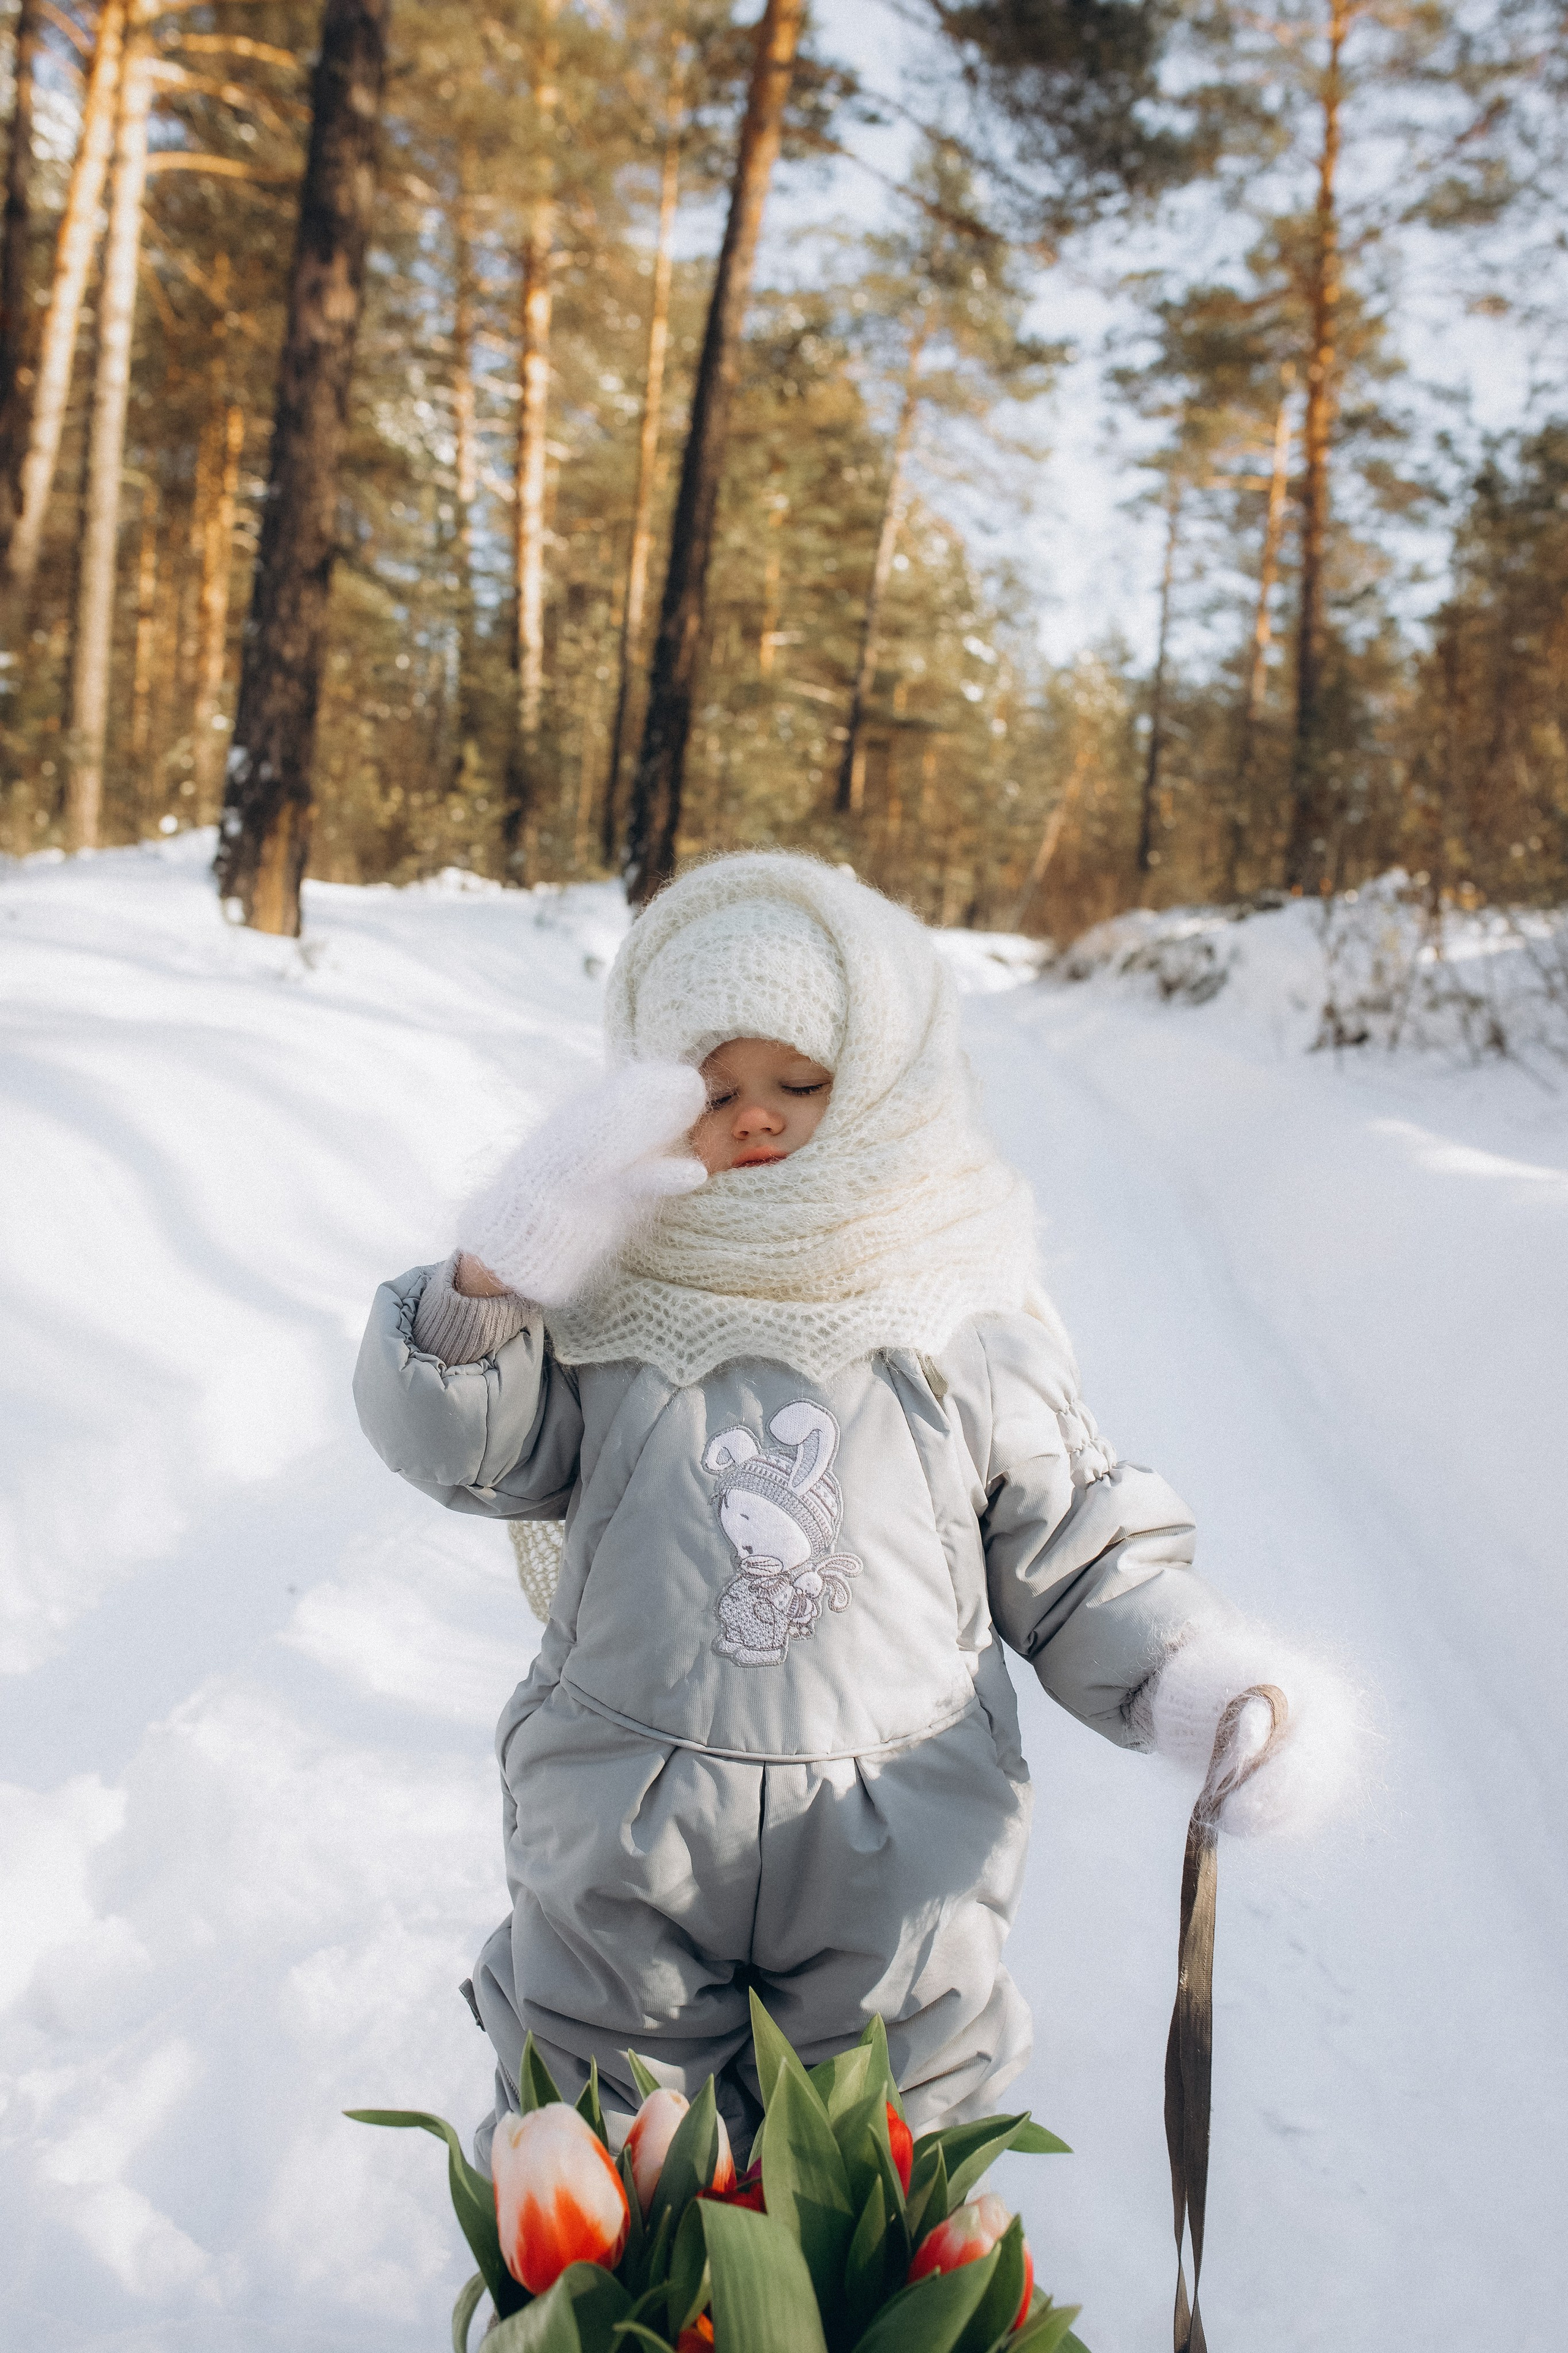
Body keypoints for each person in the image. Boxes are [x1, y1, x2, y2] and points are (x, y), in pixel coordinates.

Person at [353, 852, 1354, 2163]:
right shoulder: (604, 1306)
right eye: (712, 1090)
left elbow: (1078, 1551)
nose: (755, 1118)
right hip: (621, 1837)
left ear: (884, 1077)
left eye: (801, 1083)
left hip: (897, 1844)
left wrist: (1194, 1683)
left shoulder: (959, 1314)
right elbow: (462, 1447)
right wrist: (496, 1277)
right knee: (604, 2153)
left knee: (886, 2153)